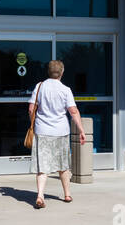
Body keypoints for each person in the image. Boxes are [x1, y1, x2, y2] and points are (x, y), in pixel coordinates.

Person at [28, 59, 84, 208]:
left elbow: (31, 108)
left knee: (42, 165)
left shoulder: (39, 86)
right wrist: (81, 130)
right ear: (62, 72)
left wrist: (34, 123)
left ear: (48, 71)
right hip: (61, 131)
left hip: (42, 131)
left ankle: (40, 196)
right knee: (63, 165)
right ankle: (67, 194)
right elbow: (73, 111)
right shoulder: (66, 90)